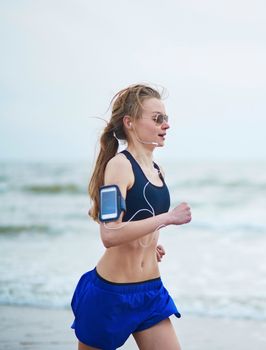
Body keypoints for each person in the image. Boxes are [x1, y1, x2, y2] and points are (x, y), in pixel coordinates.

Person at [70, 84, 192, 350]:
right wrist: (168, 218)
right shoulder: (118, 166)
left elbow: (138, 220)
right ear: (130, 123)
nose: (166, 125)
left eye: (166, 118)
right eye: (157, 118)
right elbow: (110, 234)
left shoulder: (157, 169)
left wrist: (149, 242)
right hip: (111, 296)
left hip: (150, 293)